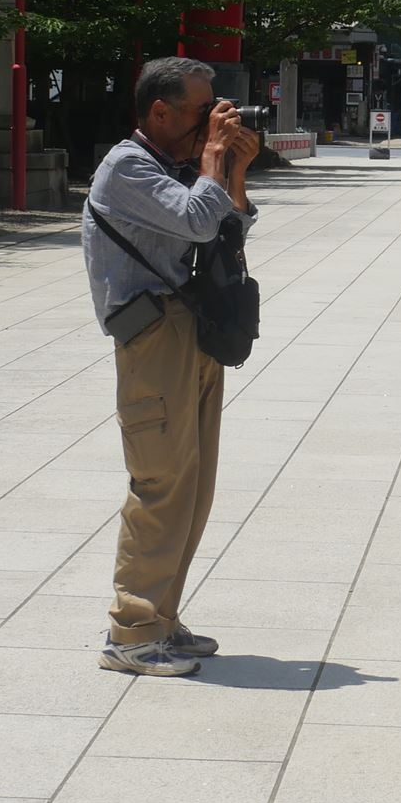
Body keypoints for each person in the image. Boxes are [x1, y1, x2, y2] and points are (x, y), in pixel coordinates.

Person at [81, 56, 262, 677]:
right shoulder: (127, 167)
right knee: (160, 482)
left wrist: (233, 165)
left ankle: (162, 616)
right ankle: (131, 631)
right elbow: (194, 218)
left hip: (188, 332)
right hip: (151, 337)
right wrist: (213, 158)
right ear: (159, 111)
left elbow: (227, 226)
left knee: (194, 484)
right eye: (201, 111)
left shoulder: (174, 165)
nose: (214, 120)